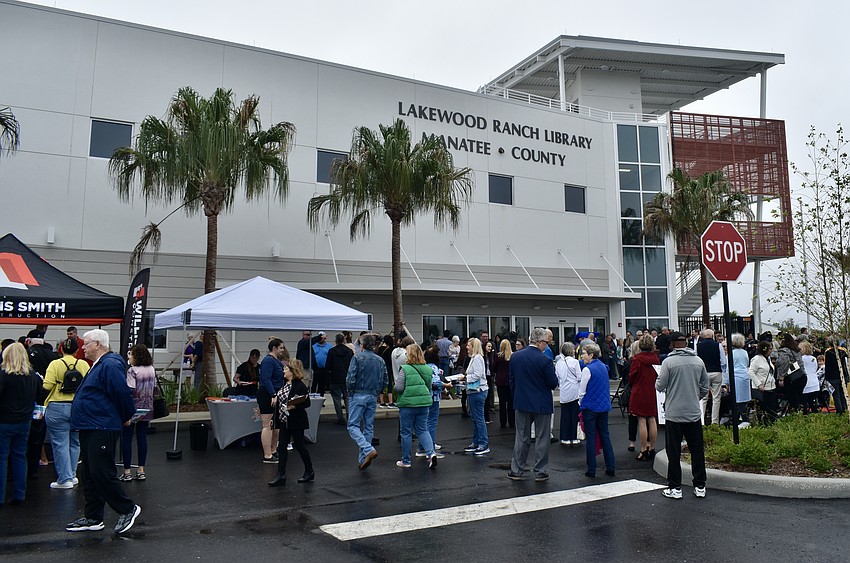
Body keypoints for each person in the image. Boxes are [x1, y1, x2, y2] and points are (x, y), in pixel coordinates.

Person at [67, 329, 141, 534]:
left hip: (102, 425)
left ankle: (127, 508)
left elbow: (120, 391)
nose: (82, 346)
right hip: (91, 425)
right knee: (88, 472)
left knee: (101, 471)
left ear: (98, 344)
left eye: (86, 343)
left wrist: (127, 415)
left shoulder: (110, 363)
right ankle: (93, 517)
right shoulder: (99, 365)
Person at [656, 331, 709, 500]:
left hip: (674, 413)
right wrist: (695, 397)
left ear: (672, 344)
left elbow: (660, 385)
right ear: (685, 344)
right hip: (693, 412)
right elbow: (705, 387)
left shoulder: (669, 362)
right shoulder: (698, 361)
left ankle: (675, 487)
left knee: (674, 452)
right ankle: (700, 485)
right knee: (697, 450)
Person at [43, 338, 90, 489]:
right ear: (77, 351)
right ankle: (72, 474)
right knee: (75, 442)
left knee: (60, 443)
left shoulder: (55, 364)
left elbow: (47, 385)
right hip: (77, 407)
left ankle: (64, 479)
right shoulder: (83, 364)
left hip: (57, 406)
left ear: (61, 349)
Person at [0, 343, 40, 506]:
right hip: (24, 421)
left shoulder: (3, 375)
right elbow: (39, 395)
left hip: (4, 421)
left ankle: (0, 496)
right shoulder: (32, 376)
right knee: (19, 456)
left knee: (2, 458)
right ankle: (19, 494)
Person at [267, 359, 313, 486]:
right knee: (282, 447)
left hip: (296, 420)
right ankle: (281, 474)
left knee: (299, 445)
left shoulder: (299, 386)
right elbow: (281, 402)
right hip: (284, 420)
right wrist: (274, 419)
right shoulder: (285, 384)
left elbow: (306, 402)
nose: (283, 371)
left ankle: (309, 470)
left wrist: (294, 406)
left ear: (292, 372)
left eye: (286, 369)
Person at [346, 334, 387, 469]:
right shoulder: (380, 360)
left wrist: (350, 392)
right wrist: (377, 391)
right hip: (372, 395)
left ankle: (367, 450)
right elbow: (385, 380)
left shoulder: (357, 357)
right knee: (368, 426)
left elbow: (351, 377)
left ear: (362, 345)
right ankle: (363, 457)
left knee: (352, 425)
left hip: (358, 394)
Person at [394, 344, 438, 469]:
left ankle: (406, 460)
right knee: (423, 430)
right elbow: (429, 386)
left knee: (406, 432)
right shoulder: (427, 369)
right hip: (424, 403)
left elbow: (399, 388)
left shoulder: (405, 369)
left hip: (408, 404)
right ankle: (431, 453)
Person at [578, 342, 616, 478]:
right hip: (604, 406)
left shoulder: (587, 370)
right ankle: (611, 467)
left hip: (590, 407)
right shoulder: (604, 367)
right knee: (605, 436)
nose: (582, 356)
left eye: (583, 354)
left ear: (591, 355)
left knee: (591, 437)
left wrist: (580, 403)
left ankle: (591, 469)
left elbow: (582, 392)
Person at [120, 344, 156, 482]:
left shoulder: (132, 371)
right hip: (147, 407)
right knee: (142, 438)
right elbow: (155, 389)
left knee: (127, 438)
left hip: (133, 408)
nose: (129, 356)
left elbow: (130, 390)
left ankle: (127, 471)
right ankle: (141, 470)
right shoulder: (151, 369)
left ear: (136, 356)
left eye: (131, 354)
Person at [628, 334, 659, 460]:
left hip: (639, 390)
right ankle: (651, 447)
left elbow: (632, 377)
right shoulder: (656, 359)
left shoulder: (637, 359)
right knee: (652, 419)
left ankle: (643, 449)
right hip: (652, 390)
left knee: (641, 420)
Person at [458, 337, 489, 456]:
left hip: (478, 391)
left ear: (474, 347)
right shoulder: (474, 358)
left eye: (468, 345)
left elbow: (477, 375)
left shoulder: (477, 359)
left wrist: (465, 378)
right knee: (475, 419)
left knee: (479, 419)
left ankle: (483, 444)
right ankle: (476, 442)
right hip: (473, 390)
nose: (466, 347)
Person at [417, 346, 449, 457]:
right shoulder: (434, 368)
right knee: (431, 423)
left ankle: (421, 447)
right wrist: (446, 385)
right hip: (433, 398)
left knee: (424, 423)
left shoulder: (423, 367)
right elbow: (435, 384)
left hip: (424, 397)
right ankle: (430, 449)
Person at [259, 338, 286, 464]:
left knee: (276, 425)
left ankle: (274, 450)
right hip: (268, 394)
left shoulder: (276, 361)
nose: (283, 350)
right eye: (281, 347)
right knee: (267, 424)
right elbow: (266, 379)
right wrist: (273, 394)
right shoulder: (268, 361)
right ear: (274, 348)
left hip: (277, 393)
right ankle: (267, 455)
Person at [556, 341, 582, 445]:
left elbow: (557, 376)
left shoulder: (558, 363)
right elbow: (579, 376)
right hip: (574, 390)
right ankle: (574, 437)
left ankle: (564, 437)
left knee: (565, 415)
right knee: (574, 414)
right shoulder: (575, 362)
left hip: (564, 391)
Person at [326, 333, 354, 425]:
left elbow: (328, 366)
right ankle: (349, 416)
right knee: (347, 397)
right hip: (346, 377)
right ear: (344, 340)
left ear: (336, 341)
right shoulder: (349, 351)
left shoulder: (332, 351)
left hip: (335, 377)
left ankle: (340, 418)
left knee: (336, 398)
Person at [697, 328, 723, 424]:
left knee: (703, 397)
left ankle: (702, 420)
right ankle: (714, 421)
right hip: (716, 371)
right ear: (713, 335)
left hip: (704, 372)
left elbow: (697, 360)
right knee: (716, 397)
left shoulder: (698, 346)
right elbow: (723, 361)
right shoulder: (718, 345)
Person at [749, 341, 777, 423]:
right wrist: (759, 384)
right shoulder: (756, 359)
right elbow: (751, 372)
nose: (771, 351)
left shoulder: (768, 359)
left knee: (772, 409)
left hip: (770, 387)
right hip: (761, 389)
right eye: (770, 349)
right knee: (761, 409)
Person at [776, 334, 805, 412]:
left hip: (791, 378)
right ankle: (801, 413)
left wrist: (781, 377)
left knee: (792, 399)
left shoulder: (784, 351)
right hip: (801, 376)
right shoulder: (796, 349)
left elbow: (784, 363)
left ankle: (794, 414)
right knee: (799, 398)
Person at [729, 333, 751, 426]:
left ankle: (742, 419)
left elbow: (729, 367)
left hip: (736, 377)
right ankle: (743, 417)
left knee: (737, 400)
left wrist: (726, 381)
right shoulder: (744, 352)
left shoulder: (732, 353)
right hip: (745, 376)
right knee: (743, 399)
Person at [493, 339, 515, 429]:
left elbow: (494, 368)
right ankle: (512, 422)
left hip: (500, 382)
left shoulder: (498, 357)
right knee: (511, 403)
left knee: (502, 403)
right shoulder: (513, 356)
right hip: (510, 382)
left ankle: (503, 423)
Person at [824, 339, 849, 415]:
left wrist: (826, 377)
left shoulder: (828, 353)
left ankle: (839, 411)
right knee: (842, 393)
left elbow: (827, 366)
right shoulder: (843, 352)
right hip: (842, 375)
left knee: (836, 395)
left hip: (832, 376)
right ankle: (845, 408)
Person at [800, 341, 820, 413]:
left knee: (804, 404)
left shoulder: (801, 359)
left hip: (806, 384)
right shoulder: (814, 358)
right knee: (812, 404)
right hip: (815, 383)